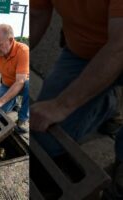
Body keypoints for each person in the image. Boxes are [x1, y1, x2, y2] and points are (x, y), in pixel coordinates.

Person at [30, 0, 123, 197]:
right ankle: (108, 102)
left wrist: (62, 105)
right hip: (82, 51)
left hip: (119, 43)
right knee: (46, 140)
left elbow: (120, 45)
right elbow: (37, 15)